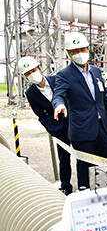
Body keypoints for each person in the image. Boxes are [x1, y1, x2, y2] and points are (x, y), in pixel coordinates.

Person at [53, 32, 107, 189]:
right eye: (75, 51)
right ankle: (86, 198)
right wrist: (59, 104)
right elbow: (58, 94)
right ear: (69, 54)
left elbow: (104, 98)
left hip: (103, 129)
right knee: (85, 168)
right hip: (83, 131)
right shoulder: (64, 75)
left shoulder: (95, 71)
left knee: (106, 166)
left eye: (83, 49)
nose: (80, 53)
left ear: (87, 49)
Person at [19, 56, 72, 195]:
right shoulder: (30, 93)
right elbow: (40, 114)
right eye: (28, 73)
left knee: (83, 155)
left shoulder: (57, 80)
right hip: (58, 128)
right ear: (25, 76)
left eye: (33, 70)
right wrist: (50, 127)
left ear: (40, 68)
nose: (32, 74)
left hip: (73, 123)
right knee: (64, 158)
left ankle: (86, 185)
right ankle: (66, 187)